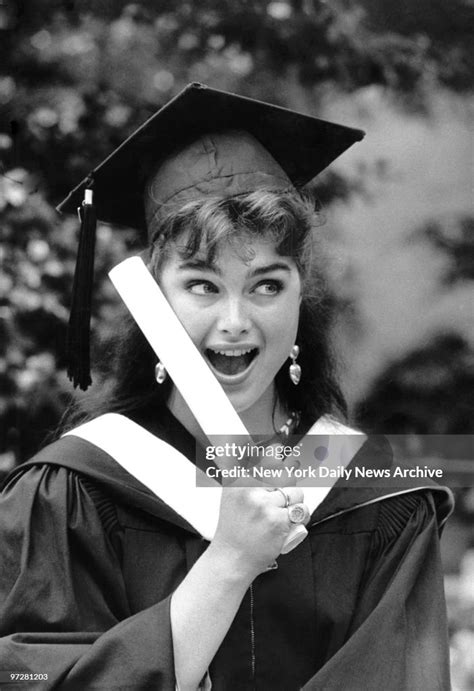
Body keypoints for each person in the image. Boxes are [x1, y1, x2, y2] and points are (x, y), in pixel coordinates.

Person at [0, 84, 453, 690]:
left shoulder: (374, 491)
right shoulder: (74, 491)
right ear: (154, 301)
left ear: (301, 300)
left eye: (267, 284)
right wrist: (229, 562)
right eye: (203, 286)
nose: (235, 321)